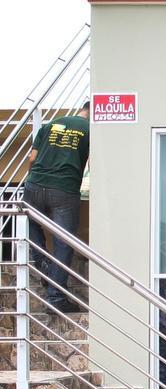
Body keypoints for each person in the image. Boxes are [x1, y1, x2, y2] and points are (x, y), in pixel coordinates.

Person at [24, 101, 90, 313]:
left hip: (34, 184)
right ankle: (56, 297)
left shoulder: (51, 124)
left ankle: (42, 263)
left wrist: (32, 179)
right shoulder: (91, 129)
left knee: (31, 222)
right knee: (63, 242)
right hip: (64, 189)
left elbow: (32, 158)